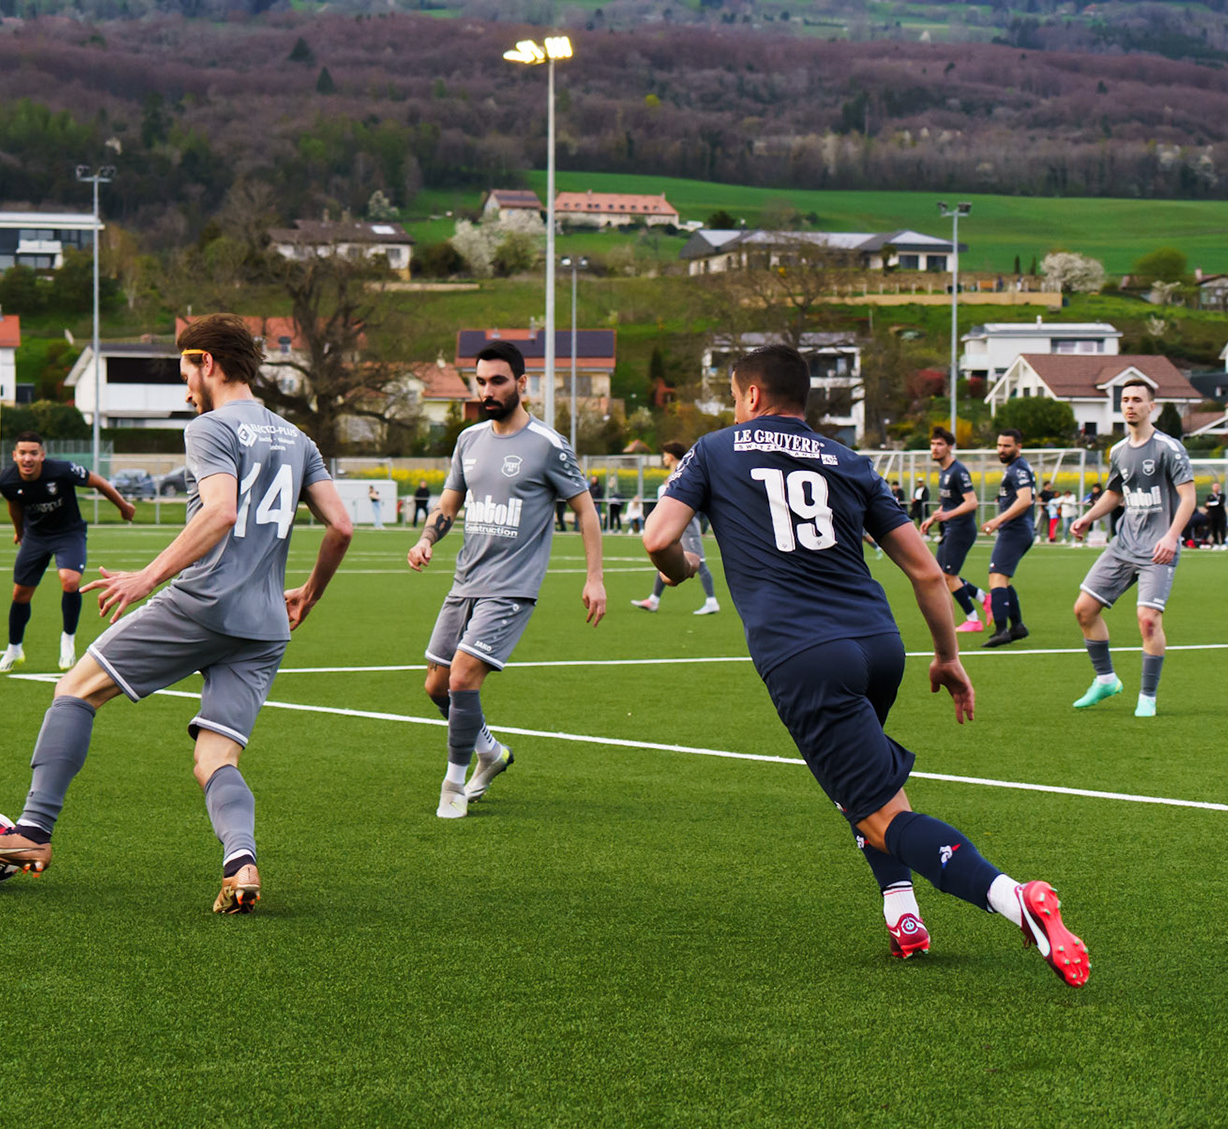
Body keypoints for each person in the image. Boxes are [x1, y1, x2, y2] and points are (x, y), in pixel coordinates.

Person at [643, 344, 1088, 986]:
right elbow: (927, 572)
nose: (734, 407)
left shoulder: (715, 449)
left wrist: (682, 568)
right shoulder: (848, 460)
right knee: (865, 786)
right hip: (879, 645)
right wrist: (947, 656)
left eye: (735, 397)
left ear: (753, 396)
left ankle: (1015, 899)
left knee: (880, 813)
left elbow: (659, 538)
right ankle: (901, 910)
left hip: (804, 655)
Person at [0, 314, 354, 913]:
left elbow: (221, 510)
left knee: (75, 690)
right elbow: (341, 526)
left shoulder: (211, 427)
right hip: (265, 627)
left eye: (186, 372)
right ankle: (241, 862)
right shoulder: (297, 439)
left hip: (202, 604)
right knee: (214, 758)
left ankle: (35, 830)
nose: (186, 388)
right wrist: (310, 593)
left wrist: (147, 577)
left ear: (209, 364)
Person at [408, 339, 605, 819]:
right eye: (480, 382)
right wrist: (427, 538)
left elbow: (585, 510)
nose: (487, 390)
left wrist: (594, 577)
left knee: (462, 677)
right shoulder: (468, 440)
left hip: (512, 586)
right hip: (465, 581)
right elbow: (449, 502)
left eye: (497, 381)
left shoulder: (548, 445)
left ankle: (454, 786)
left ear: (521, 384)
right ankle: (491, 752)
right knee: (437, 687)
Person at [1068, 384, 1196, 718]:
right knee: (1084, 610)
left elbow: (1189, 497)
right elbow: (1115, 493)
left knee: (1148, 620)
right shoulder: (1118, 451)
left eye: (1137, 400)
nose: (1130, 405)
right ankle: (1106, 680)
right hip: (1124, 545)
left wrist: (1171, 537)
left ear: (1151, 407)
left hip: (1158, 549)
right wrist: (1087, 517)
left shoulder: (1169, 448)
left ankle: (1147, 697)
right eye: (1125, 400)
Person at [0, 432, 136, 674]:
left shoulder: (62, 471)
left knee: (69, 581)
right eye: (23, 453)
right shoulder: (7, 480)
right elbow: (14, 505)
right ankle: (14, 649)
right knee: (20, 593)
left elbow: (98, 481)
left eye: (33, 453)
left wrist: (123, 506)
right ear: (14, 456)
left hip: (68, 533)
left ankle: (67, 641)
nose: (28, 458)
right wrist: (19, 531)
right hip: (36, 536)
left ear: (42, 455)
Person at [632, 439, 719, 615]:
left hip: (688, 528)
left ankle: (712, 601)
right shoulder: (675, 475)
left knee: (700, 562)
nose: (663, 459)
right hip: (673, 528)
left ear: (671, 456)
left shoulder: (687, 473)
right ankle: (654, 600)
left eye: (665, 455)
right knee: (665, 559)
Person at [916, 429, 985, 632]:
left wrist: (948, 515)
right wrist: (932, 518)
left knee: (948, 576)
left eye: (939, 444)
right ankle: (983, 597)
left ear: (950, 447)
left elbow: (972, 502)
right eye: (933, 444)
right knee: (940, 574)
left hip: (961, 529)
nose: (935, 448)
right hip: (951, 527)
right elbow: (949, 503)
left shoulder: (958, 471)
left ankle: (974, 620)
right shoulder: (944, 471)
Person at [978, 426, 1036, 647]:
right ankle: (1017, 626)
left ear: (1018, 447)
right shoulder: (1014, 467)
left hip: (1016, 530)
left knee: (997, 578)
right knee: (999, 578)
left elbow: (1025, 499)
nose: (1001, 450)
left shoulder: (1018, 468)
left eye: (1007, 446)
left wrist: (997, 520)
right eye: (999, 445)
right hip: (1016, 530)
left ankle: (1001, 630)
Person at [1204, 483, 1228, 549]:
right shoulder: (1209, 496)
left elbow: (1220, 503)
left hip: (1221, 515)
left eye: (1217, 486)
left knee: (1222, 529)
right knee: (1214, 529)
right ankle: (1216, 543)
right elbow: (1206, 505)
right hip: (1212, 515)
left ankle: (1223, 543)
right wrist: (1210, 504)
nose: (1216, 488)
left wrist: (1211, 504)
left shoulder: (1222, 495)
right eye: (1214, 486)